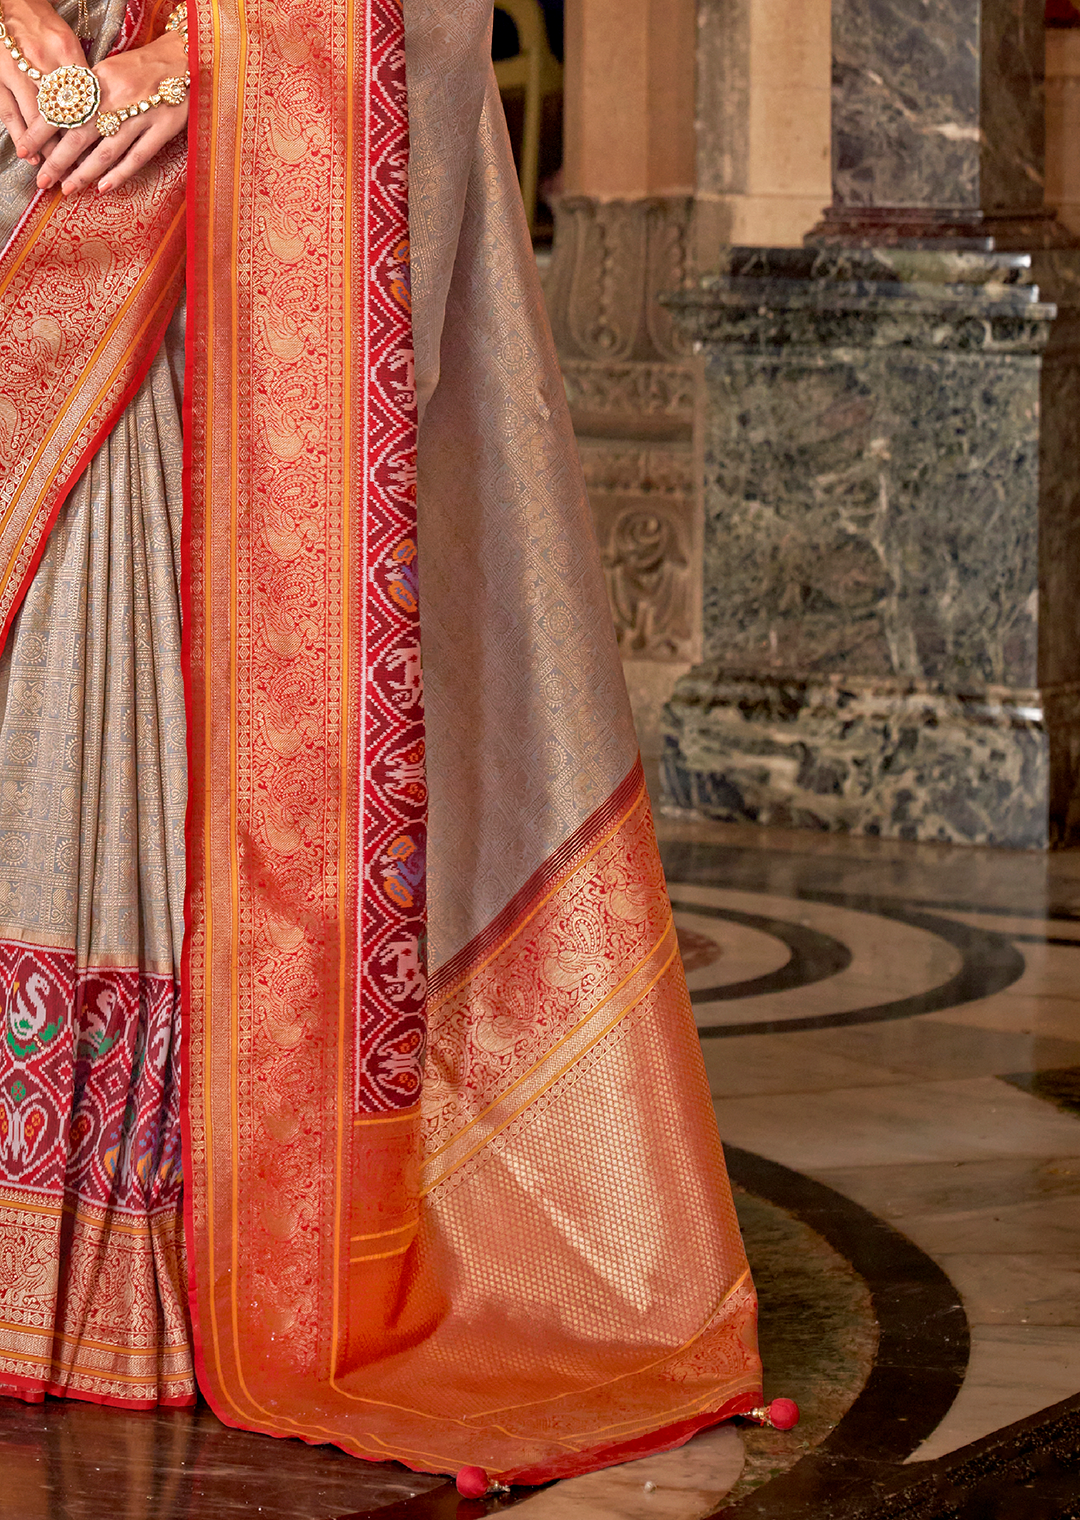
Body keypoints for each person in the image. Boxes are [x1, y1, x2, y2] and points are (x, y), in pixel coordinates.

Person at [0, 0, 763, 1486]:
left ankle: (142, 1244)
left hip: (208, 218)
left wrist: (205, 60)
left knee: (144, 625)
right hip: (44, 148)